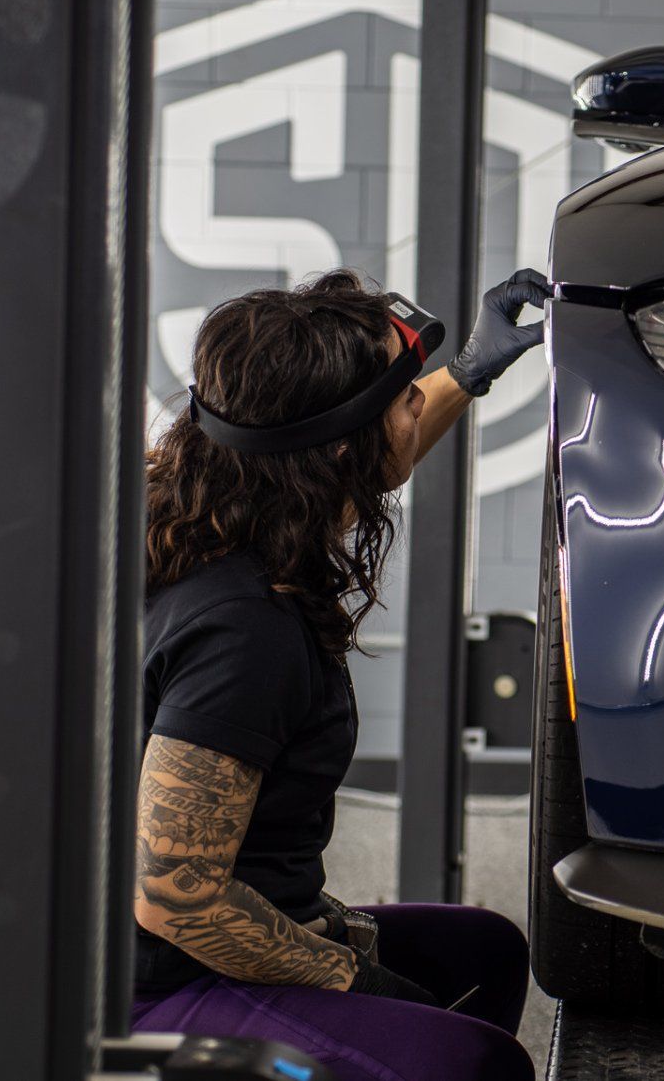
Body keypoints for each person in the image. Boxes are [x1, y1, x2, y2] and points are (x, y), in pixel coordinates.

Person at [129, 267, 549, 1081]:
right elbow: (177, 893)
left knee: (484, 953)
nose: (419, 400)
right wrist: (352, 975)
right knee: (472, 1062)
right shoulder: (245, 628)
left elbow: (366, 450)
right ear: (337, 449)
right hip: (159, 988)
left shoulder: (204, 498)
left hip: (212, 935)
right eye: (404, 396)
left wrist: (467, 374)